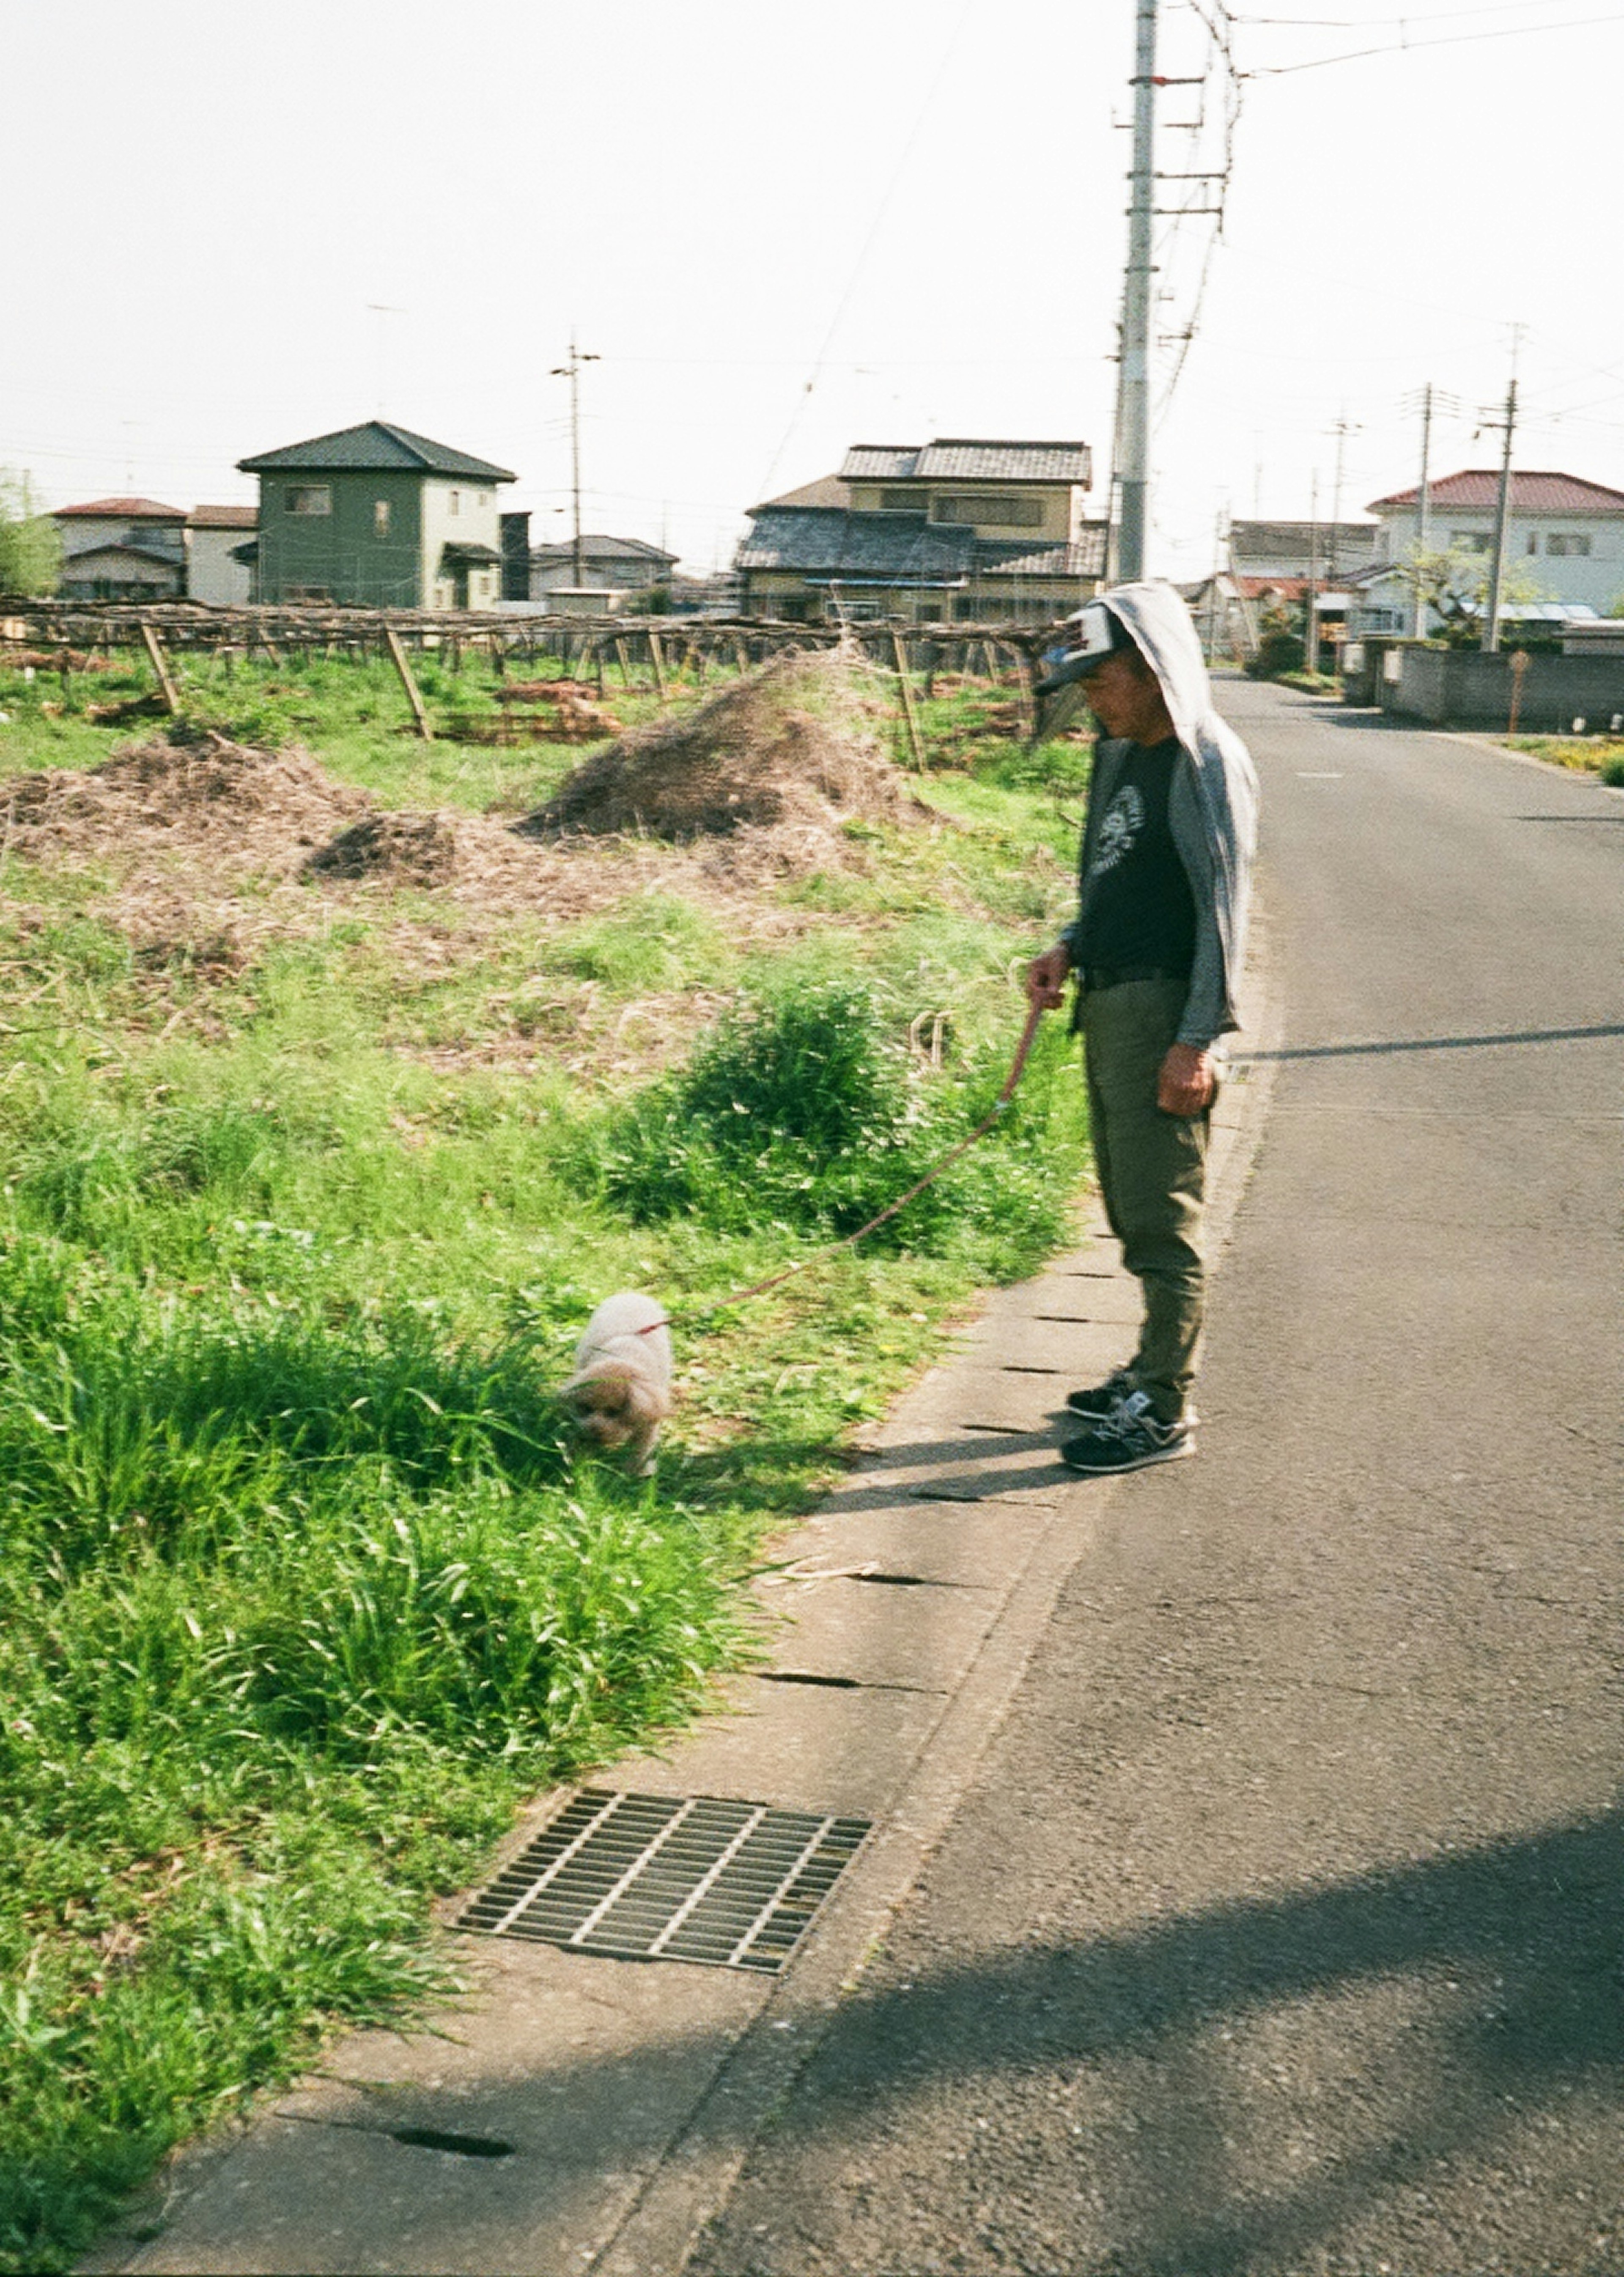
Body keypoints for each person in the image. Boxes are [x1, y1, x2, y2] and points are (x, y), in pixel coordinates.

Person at [1026, 581, 1258, 1475]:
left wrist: (1198, 1040)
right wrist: (1069, 944)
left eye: (1103, 681)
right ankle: (1146, 1367)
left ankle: (1164, 1406)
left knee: (1164, 1216)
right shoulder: (1118, 755)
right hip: (1111, 1002)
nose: (1092, 700)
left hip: (1168, 1008)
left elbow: (1224, 911)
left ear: (1154, 669)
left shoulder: (1204, 762)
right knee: (1127, 1203)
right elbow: (1113, 878)